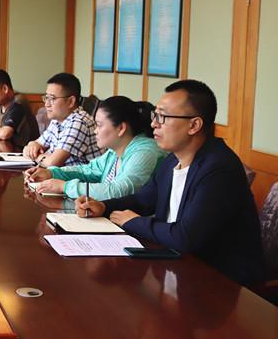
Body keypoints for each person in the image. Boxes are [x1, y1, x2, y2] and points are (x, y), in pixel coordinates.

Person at [76, 80, 266, 285]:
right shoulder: (173, 160)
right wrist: (103, 206)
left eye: (163, 117)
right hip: (176, 267)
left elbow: (185, 237)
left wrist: (133, 221)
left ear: (194, 125)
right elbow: (143, 200)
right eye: (155, 115)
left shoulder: (219, 169)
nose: (154, 124)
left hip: (220, 283)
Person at [25, 96, 166, 199]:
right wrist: (51, 173)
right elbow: (88, 170)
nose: (95, 131)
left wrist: (65, 187)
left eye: (99, 125)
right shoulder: (114, 151)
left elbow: (119, 191)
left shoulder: (145, 152)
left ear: (121, 128)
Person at [22, 72, 102, 167]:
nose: (47, 104)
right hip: (62, 174)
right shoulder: (57, 120)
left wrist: (36, 156)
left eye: (52, 98)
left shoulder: (79, 122)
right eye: (46, 97)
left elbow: (52, 163)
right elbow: (35, 144)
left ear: (70, 101)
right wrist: (32, 145)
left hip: (81, 176)